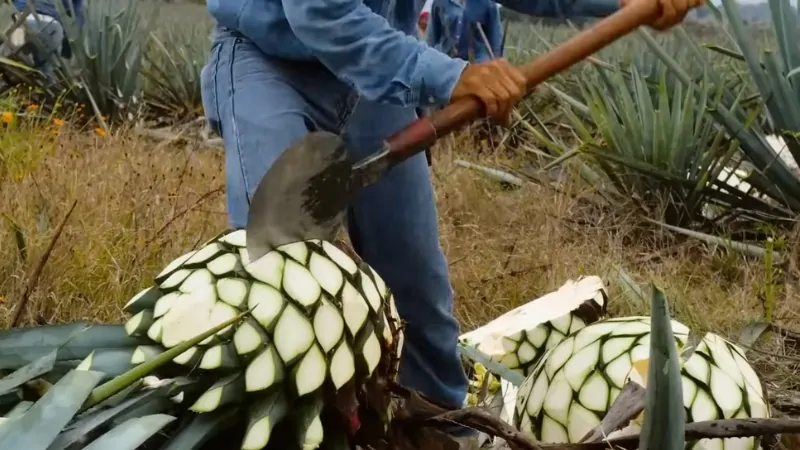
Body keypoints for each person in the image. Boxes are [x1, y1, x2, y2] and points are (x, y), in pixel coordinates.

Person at [199, 0, 701, 445]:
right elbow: (320, 12)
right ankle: (277, 432)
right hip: (269, 59)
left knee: (416, 282)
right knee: (281, 281)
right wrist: (449, 75)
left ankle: (441, 429)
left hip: (374, 73)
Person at [11, 0, 84, 82]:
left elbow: (79, 14)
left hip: (32, 21)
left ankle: (50, 78)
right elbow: (79, 16)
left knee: (44, 62)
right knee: (50, 66)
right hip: (43, 21)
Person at [427, 0, 504, 63]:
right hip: (447, 61)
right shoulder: (440, 2)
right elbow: (433, 38)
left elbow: (495, 39)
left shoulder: (487, 3)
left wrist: (495, 63)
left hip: (477, 61)